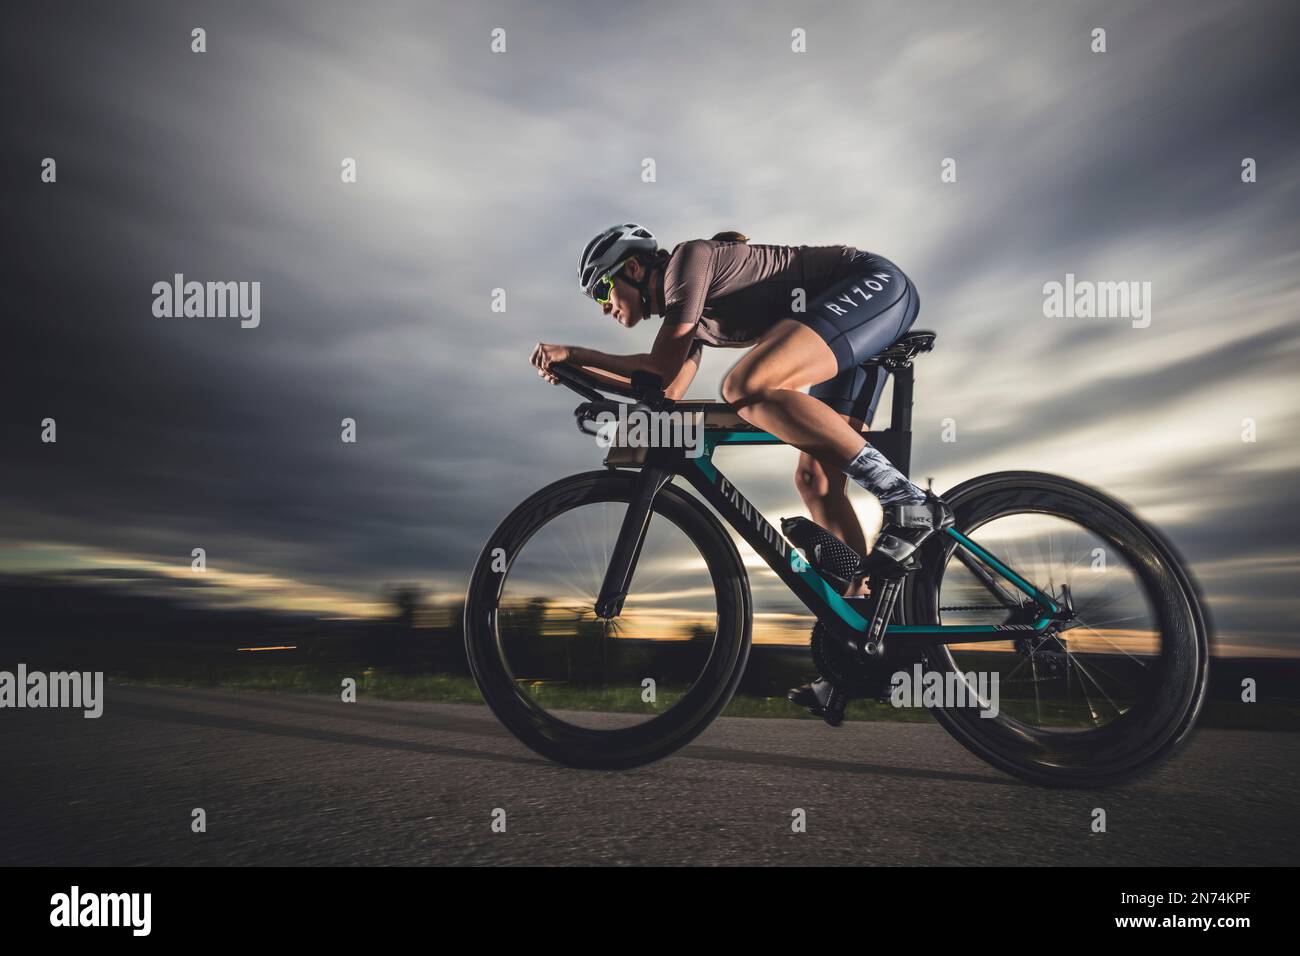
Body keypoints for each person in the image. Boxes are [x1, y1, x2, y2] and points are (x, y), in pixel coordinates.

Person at [530, 223, 951, 721]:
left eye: (603, 288)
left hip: (872, 286)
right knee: (815, 480)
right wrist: (577, 373)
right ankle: (863, 642)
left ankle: (905, 500)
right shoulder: (693, 317)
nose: (604, 305)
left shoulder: (688, 262)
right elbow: (663, 389)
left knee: (746, 385)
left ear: (635, 268)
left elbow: (660, 368)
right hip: (844, 320)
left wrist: (575, 352)